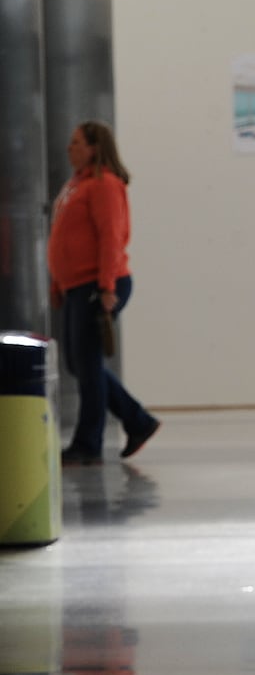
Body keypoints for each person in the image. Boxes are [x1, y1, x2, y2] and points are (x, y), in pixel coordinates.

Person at [48, 121, 161, 465]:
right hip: (76, 287)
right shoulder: (76, 185)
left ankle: (88, 443)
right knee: (79, 363)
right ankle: (137, 421)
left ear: (95, 148)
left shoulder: (104, 185)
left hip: (99, 284)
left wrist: (107, 286)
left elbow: (112, 237)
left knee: (87, 363)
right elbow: (64, 239)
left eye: (76, 143)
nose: (70, 148)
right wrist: (58, 282)